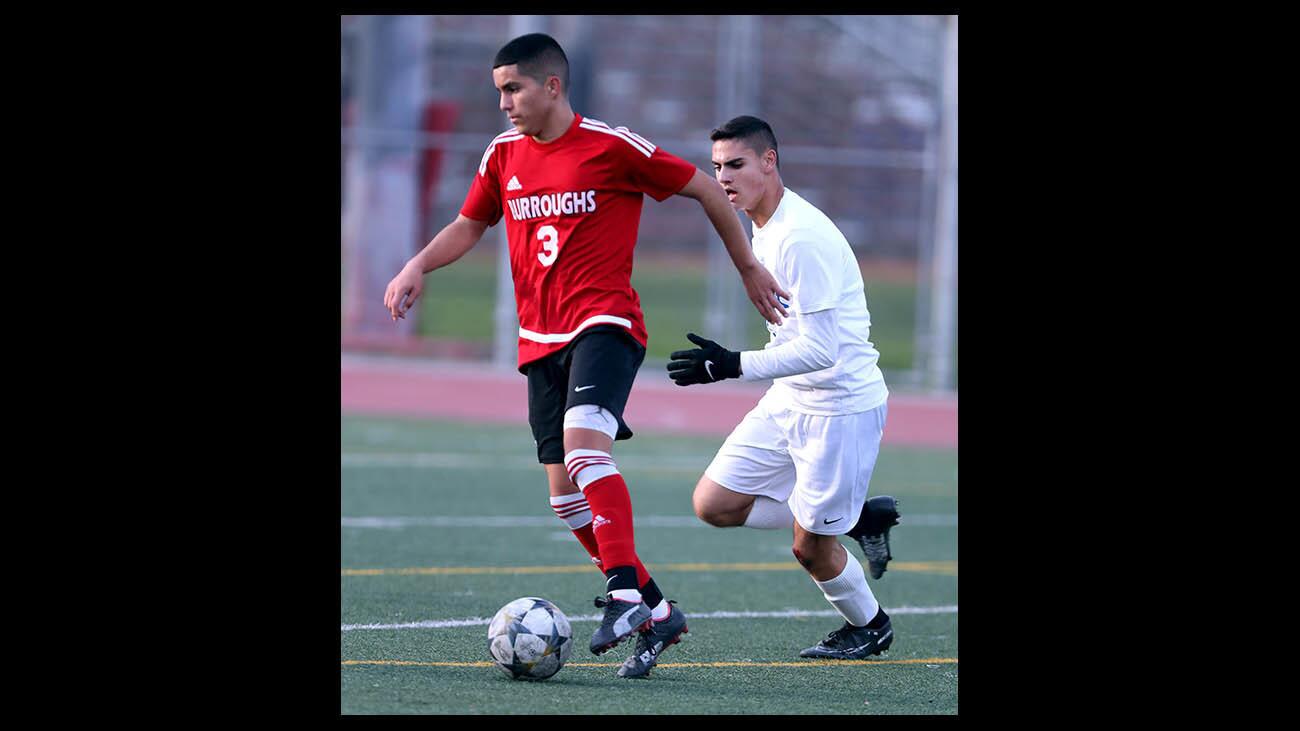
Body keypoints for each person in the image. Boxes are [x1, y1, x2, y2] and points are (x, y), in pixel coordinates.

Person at [383, 35, 791, 679]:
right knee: (566, 500)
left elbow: (707, 191)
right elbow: (470, 223)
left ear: (552, 86)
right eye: (498, 91)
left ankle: (625, 594)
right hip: (538, 340)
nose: (505, 104)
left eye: (513, 89)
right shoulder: (502, 155)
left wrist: (747, 268)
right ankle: (658, 612)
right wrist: (417, 264)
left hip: (606, 324)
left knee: (584, 451)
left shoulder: (611, 145)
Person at [667, 115, 900, 660]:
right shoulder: (762, 222)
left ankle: (871, 625)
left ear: (769, 161)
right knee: (715, 502)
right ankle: (858, 515)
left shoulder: (800, 236)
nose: (723, 178)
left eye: (737, 165)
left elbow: (824, 351)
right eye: (717, 167)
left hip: (838, 408)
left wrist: (729, 365)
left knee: (811, 549)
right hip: (793, 396)